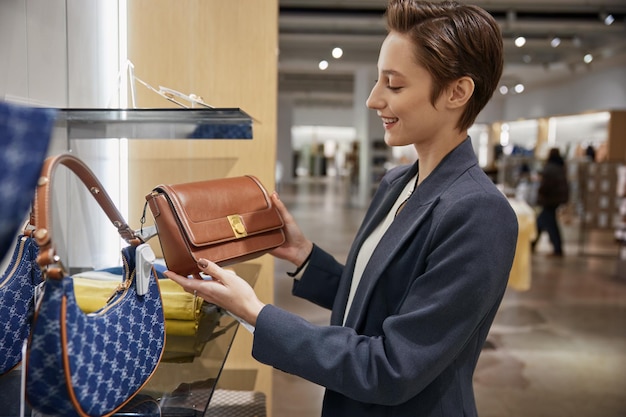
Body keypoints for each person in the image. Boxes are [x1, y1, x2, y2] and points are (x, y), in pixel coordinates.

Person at [164, 1, 518, 416]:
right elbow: (378, 299)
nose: (373, 99)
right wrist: (305, 257)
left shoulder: (480, 214)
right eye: (377, 81)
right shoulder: (398, 183)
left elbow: (392, 367)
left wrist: (258, 313)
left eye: (395, 85)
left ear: (457, 92)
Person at [532, 147, 569, 257]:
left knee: (548, 223)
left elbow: (546, 186)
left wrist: (540, 192)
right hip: (556, 199)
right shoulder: (560, 167)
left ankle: (557, 248)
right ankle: (532, 244)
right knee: (542, 221)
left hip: (550, 200)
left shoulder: (549, 168)